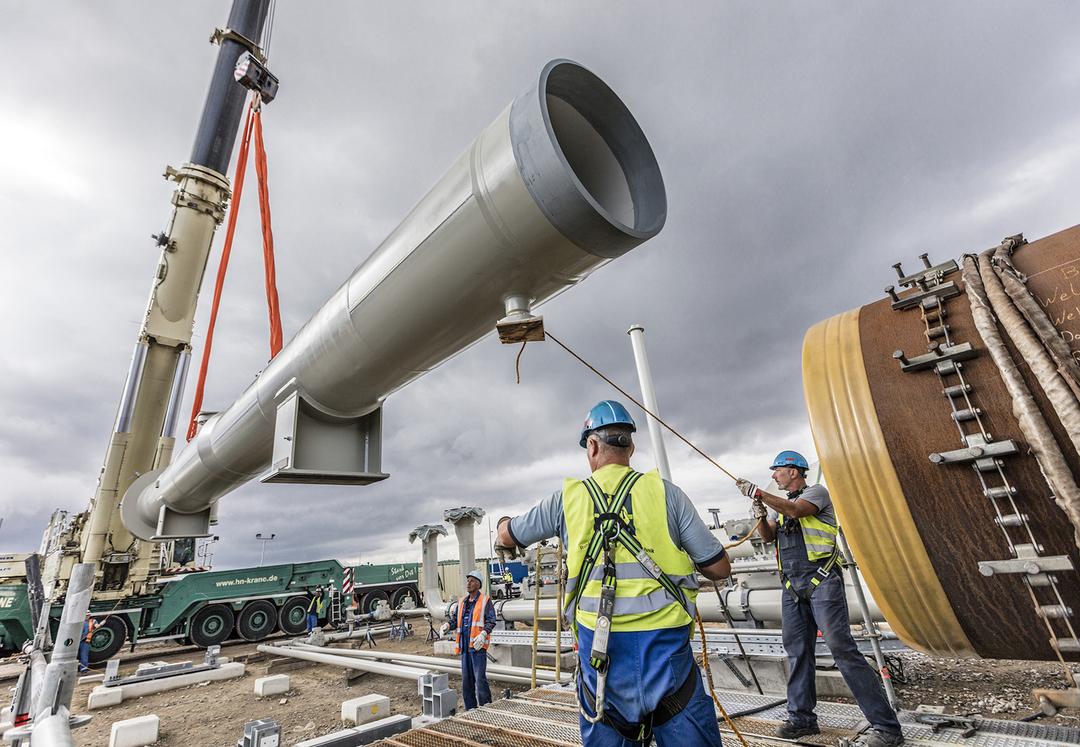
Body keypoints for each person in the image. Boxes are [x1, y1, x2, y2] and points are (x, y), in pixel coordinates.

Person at [496, 400, 730, 746]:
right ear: (631, 445)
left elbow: (507, 535)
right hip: (667, 660)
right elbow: (719, 567)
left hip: (601, 660)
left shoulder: (567, 500)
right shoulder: (667, 494)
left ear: (591, 445)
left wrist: (503, 525)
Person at [737, 451, 904, 747]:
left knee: (842, 649)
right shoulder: (780, 506)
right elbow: (767, 537)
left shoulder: (816, 493)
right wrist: (760, 513)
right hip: (792, 587)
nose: (774, 476)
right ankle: (801, 720)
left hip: (821, 581)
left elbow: (796, 511)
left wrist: (760, 493)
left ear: (794, 471)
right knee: (798, 651)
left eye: (777, 471)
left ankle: (886, 727)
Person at [455, 570, 496, 710]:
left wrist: (484, 633)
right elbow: (456, 619)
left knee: (480, 680)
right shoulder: (462, 602)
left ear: (478, 585)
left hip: (478, 648)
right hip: (465, 648)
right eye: (468, 581)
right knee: (467, 682)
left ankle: (486, 708)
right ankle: (470, 710)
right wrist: (448, 625)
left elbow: (491, 620)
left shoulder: (485, 601)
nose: (468, 583)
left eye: (472, 581)